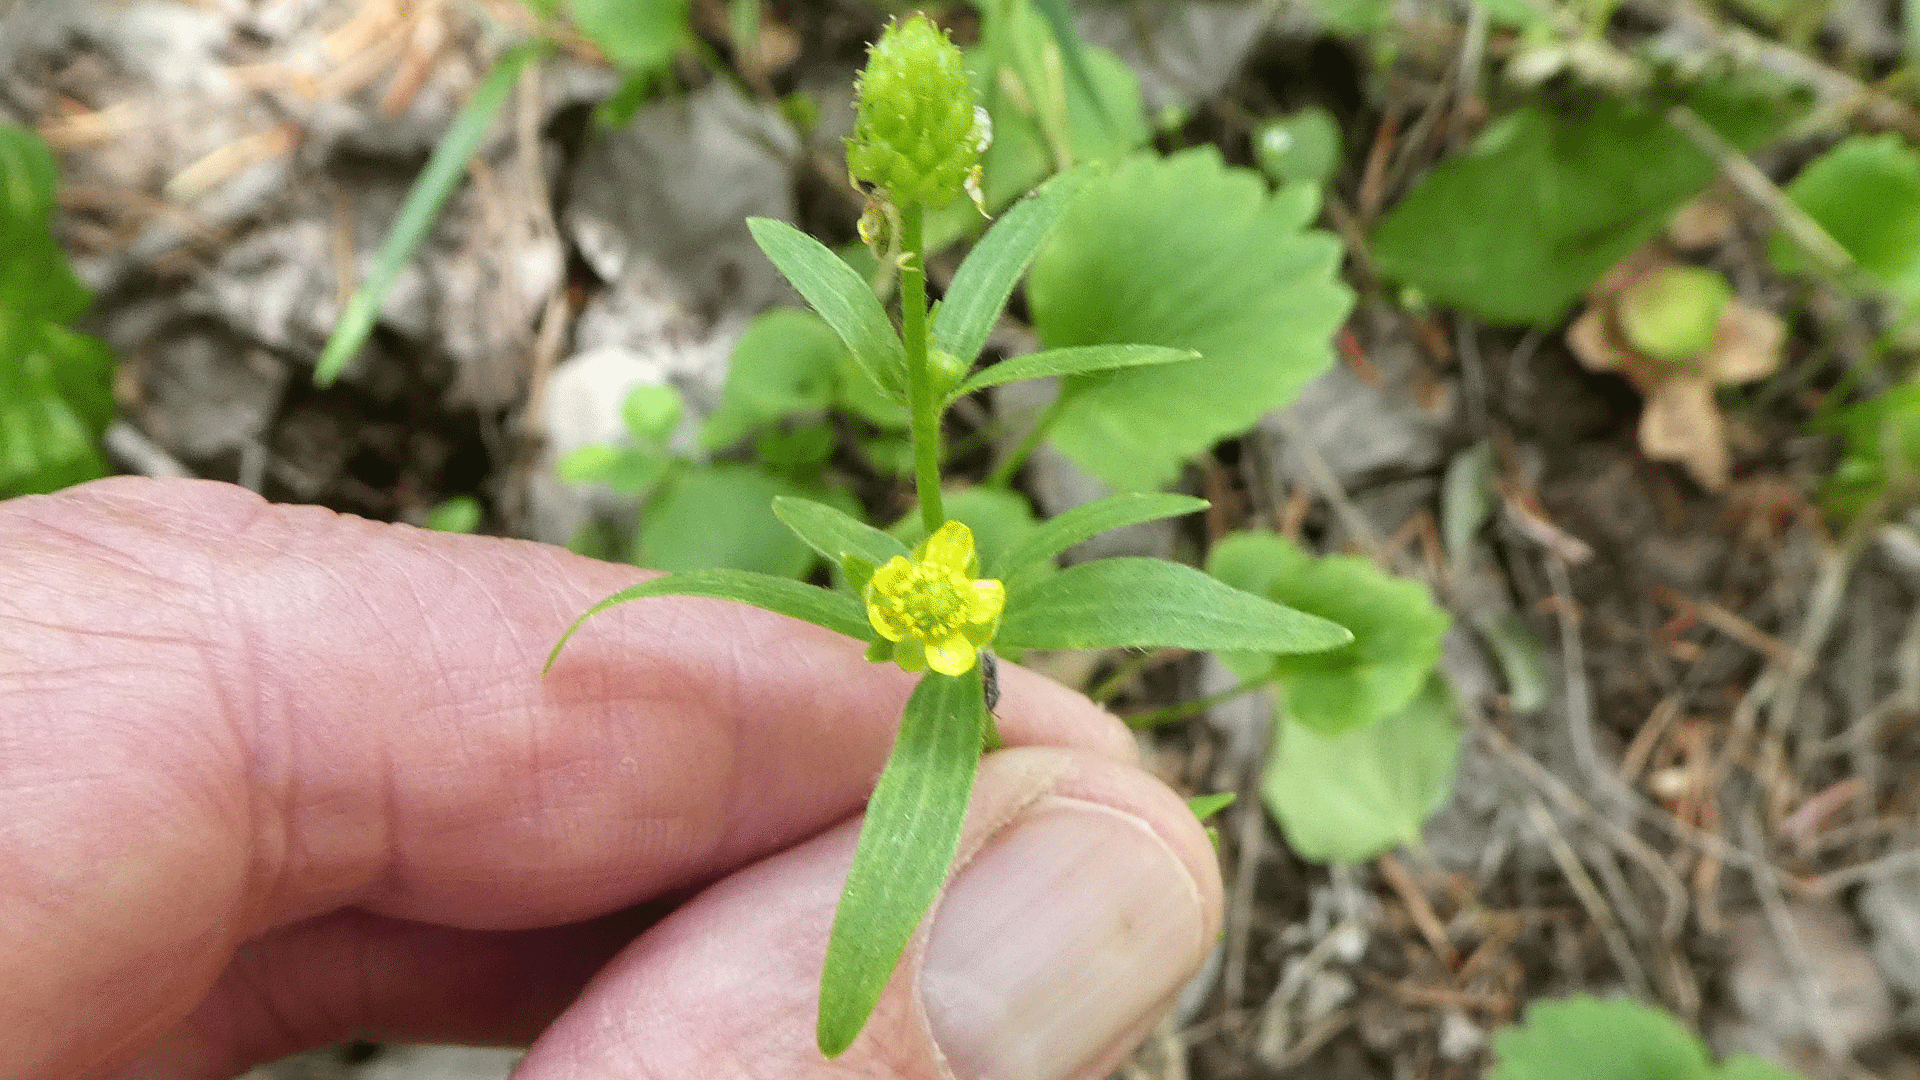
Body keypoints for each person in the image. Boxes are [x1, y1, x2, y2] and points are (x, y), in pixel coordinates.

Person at [0, 477, 1222, 1080]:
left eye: (935, 592)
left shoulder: (965, 604)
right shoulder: (919, 618)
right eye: (919, 591)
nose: (929, 590)